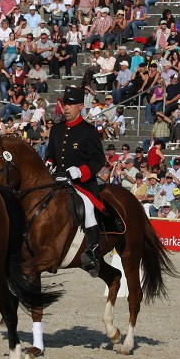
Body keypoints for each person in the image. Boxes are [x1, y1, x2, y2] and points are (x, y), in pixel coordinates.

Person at [44, 85, 106, 276]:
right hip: (59, 180)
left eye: (70, 104)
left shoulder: (88, 131)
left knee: (87, 207)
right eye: (64, 104)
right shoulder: (56, 129)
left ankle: (94, 251)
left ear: (80, 106)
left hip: (82, 184)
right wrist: (48, 163)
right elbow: (51, 155)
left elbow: (98, 160)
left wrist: (80, 172)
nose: (66, 108)